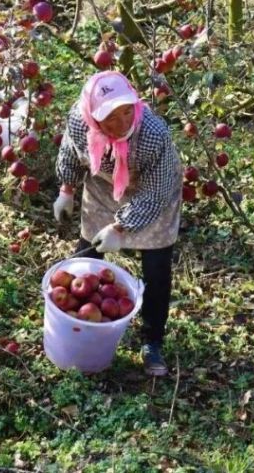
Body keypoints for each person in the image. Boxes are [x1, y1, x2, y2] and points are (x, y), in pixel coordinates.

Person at [53, 71, 183, 377]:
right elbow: (70, 153)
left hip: (153, 193)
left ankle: (152, 341)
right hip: (103, 186)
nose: (123, 122)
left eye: (127, 110)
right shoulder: (79, 121)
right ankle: (73, 321)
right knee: (86, 257)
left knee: (156, 268)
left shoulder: (153, 134)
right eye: (110, 116)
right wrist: (66, 191)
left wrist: (121, 228)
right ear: (93, 117)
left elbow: (156, 194)